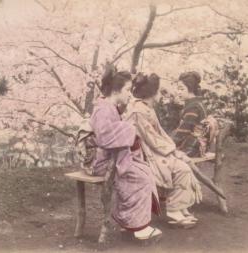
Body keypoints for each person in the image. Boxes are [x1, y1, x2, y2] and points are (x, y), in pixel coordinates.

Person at [89, 66, 162, 241]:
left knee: (144, 171)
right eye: (127, 90)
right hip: (102, 162)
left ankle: (131, 223)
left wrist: (127, 130)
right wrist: (129, 129)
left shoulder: (109, 106)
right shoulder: (103, 109)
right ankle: (138, 227)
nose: (130, 94)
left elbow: (114, 133)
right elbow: (105, 137)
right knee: (140, 178)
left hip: (112, 159)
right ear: (116, 90)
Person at [123, 72, 202, 228]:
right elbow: (152, 139)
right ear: (152, 93)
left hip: (155, 149)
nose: (160, 94)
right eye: (159, 91)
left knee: (182, 166)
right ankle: (174, 210)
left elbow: (160, 134)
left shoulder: (147, 108)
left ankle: (179, 207)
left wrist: (173, 149)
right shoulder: (138, 110)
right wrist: (172, 150)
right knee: (182, 168)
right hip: (144, 153)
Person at [172, 71, 218, 158]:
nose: (178, 92)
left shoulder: (193, 107)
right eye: (178, 89)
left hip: (192, 147)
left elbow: (183, 132)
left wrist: (168, 144)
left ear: (190, 89)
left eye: (181, 89)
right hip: (194, 144)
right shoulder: (197, 103)